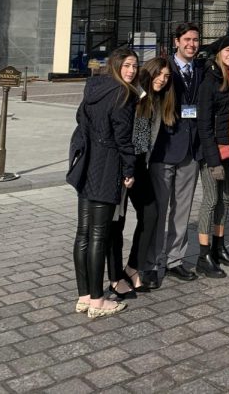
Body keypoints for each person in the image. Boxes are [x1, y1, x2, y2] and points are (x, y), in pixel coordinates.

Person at [72, 47, 137, 319]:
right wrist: (129, 169)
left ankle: (84, 295)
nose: (132, 71)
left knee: (83, 233)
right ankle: (98, 301)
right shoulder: (122, 94)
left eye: (135, 67)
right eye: (127, 66)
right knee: (98, 234)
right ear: (116, 66)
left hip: (87, 162)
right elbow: (123, 138)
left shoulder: (93, 87)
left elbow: (79, 119)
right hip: (108, 164)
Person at [106, 57, 168, 299]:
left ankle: (132, 268)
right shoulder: (134, 95)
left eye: (166, 76)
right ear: (149, 73)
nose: (162, 79)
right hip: (122, 166)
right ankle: (114, 278)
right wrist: (126, 168)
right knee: (116, 223)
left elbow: (144, 139)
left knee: (150, 214)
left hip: (139, 165)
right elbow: (125, 134)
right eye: (159, 74)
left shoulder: (153, 99)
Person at [146, 22, 203, 284]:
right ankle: (152, 261)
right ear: (177, 41)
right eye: (187, 40)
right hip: (163, 150)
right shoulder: (163, 69)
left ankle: (175, 259)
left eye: (195, 40)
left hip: (189, 152)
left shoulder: (200, 70)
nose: (192, 44)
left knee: (182, 211)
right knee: (158, 211)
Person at [195, 36, 229, 278]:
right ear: (218, 54)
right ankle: (203, 255)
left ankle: (218, 246)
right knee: (211, 200)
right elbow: (204, 125)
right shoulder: (209, 82)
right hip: (212, 152)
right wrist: (212, 160)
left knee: (225, 199)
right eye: (228, 50)